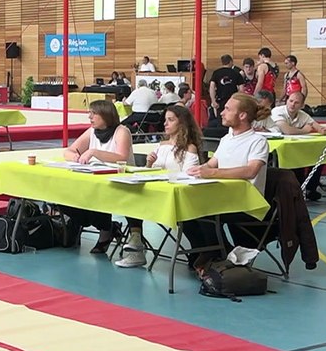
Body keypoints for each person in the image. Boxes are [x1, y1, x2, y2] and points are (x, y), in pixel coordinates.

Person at [181, 93, 270, 273]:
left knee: (204, 213)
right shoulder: (226, 139)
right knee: (184, 210)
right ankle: (210, 251)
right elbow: (211, 164)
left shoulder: (258, 141)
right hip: (222, 199)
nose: (222, 113)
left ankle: (215, 254)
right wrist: (194, 170)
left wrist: (213, 172)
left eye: (228, 109)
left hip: (246, 203)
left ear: (242, 115)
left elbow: (251, 170)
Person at [116, 105, 205, 268]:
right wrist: (149, 163)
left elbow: (189, 175)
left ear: (182, 123)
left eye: (170, 120)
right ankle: (136, 243)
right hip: (158, 191)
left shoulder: (189, 148)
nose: (165, 123)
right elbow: (150, 172)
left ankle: (136, 242)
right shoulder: (162, 145)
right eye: (165, 120)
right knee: (130, 200)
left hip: (176, 195)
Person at [62, 100, 133, 254]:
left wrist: (94, 152)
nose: (90, 117)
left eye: (94, 114)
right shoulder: (91, 131)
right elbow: (68, 151)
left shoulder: (122, 131)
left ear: (106, 115)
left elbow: (122, 157)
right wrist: (74, 156)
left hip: (120, 183)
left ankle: (106, 230)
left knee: (96, 194)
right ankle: (91, 223)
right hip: (95, 180)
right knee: (66, 195)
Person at [272, 91, 326, 199]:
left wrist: (321, 129)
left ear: (302, 106)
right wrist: (304, 130)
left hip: (295, 149)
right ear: (286, 101)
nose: (292, 104)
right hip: (278, 151)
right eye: (290, 101)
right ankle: (295, 190)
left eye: (296, 103)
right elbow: (287, 131)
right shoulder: (277, 111)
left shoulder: (303, 115)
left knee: (319, 158)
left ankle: (310, 189)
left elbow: (316, 126)